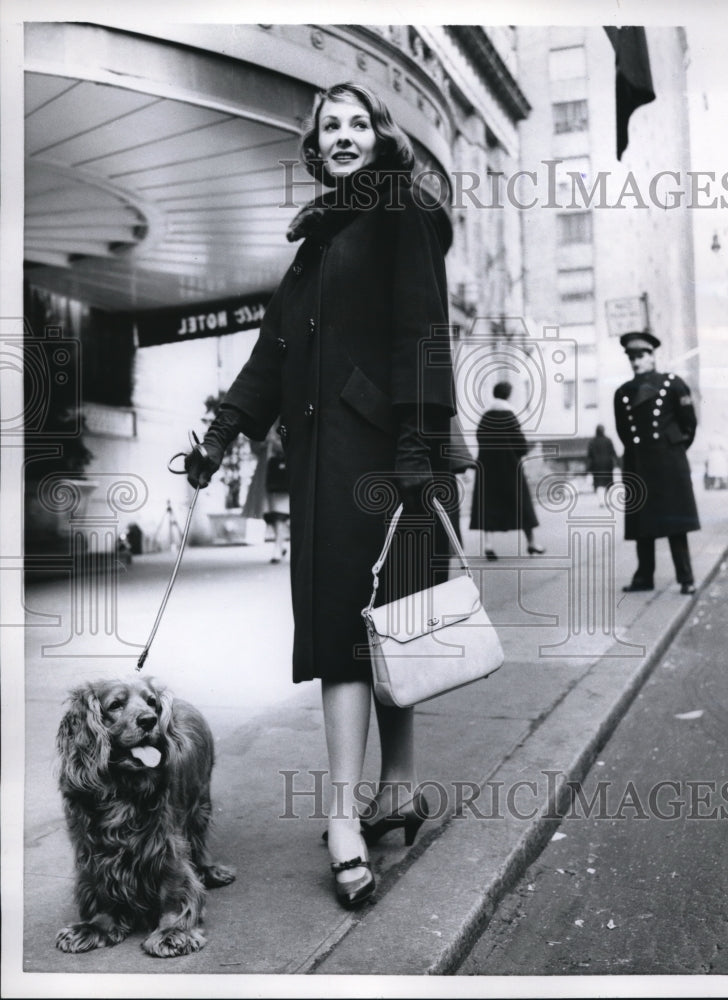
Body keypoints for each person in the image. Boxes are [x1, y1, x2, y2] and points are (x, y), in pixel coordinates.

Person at [183, 82, 456, 908]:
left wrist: (416, 445)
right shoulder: (318, 239)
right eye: (328, 126)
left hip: (384, 459)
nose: (342, 135)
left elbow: (424, 331)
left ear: (380, 136)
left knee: (369, 628)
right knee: (370, 625)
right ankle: (395, 792)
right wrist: (221, 435)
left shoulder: (399, 210)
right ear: (315, 147)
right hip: (329, 461)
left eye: (356, 123)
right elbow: (271, 355)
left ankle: (346, 816)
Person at [613, 331, 700, 595]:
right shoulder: (623, 392)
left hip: (669, 462)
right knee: (643, 524)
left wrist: (672, 449)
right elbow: (623, 431)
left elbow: (689, 424)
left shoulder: (673, 384)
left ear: (652, 356)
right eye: (632, 357)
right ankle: (644, 577)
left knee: (676, 523)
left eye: (640, 356)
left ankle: (686, 577)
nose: (636, 362)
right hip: (639, 462)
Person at [469, 380, 544, 559]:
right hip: (510, 467)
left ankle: (488, 545)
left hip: (487, 469)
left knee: (488, 505)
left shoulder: (485, 417)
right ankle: (531, 543)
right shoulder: (510, 416)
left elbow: (479, 438)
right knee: (522, 505)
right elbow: (521, 445)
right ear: (508, 395)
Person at [262, 425, 290, 563]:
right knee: (272, 516)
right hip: (270, 477)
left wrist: (273, 441)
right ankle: (281, 544)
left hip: (284, 478)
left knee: (280, 516)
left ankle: (277, 548)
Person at [586, 423, 618, 506]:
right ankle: (606, 500)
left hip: (596, 466)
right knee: (607, 483)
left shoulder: (592, 442)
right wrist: (615, 464)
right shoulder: (608, 440)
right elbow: (613, 453)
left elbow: (589, 456)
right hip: (607, 465)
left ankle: (601, 501)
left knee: (599, 483)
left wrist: (589, 468)